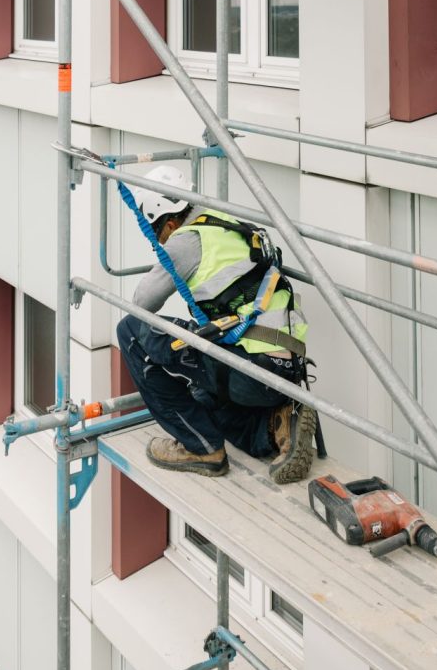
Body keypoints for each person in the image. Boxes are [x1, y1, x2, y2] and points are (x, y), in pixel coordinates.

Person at [115, 164, 318, 482]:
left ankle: (202, 448)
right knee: (202, 401)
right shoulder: (227, 223)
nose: (158, 242)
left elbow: (142, 305)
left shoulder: (185, 242)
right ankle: (276, 426)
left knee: (130, 332)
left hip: (253, 370)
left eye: (156, 233)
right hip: (283, 370)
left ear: (168, 222)